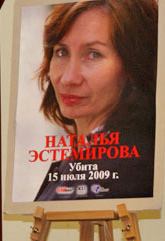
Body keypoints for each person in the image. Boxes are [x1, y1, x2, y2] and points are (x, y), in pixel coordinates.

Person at [34, 0, 157, 201]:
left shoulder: (129, 171)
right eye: (62, 52)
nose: (68, 78)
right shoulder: (79, 161)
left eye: (93, 54)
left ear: (132, 66)